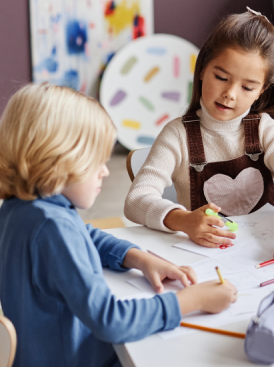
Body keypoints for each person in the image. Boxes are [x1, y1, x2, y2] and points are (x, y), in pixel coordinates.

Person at [0, 83, 237, 367]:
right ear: (56, 162)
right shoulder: (52, 227)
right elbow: (111, 321)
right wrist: (192, 301)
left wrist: (139, 258)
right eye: (96, 162)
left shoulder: (23, 207)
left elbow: (84, 235)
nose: (105, 171)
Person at [125, 9, 274, 260]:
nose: (230, 93)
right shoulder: (177, 135)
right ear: (202, 69)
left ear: (261, 91)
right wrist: (184, 220)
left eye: (247, 87)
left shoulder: (264, 129)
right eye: (221, 77)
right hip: (202, 257)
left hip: (261, 253)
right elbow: (137, 200)